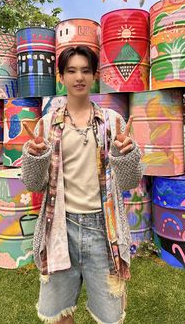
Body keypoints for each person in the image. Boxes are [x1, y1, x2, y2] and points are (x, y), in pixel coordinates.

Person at [21, 45, 142, 324]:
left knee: (110, 316)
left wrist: (124, 154)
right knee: (60, 314)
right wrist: (35, 156)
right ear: (61, 77)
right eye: (72, 71)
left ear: (95, 76)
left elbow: (129, 181)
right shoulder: (46, 124)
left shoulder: (112, 123)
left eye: (86, 71)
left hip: (104, 229)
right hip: (60, 228)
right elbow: (34, 183)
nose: (79, 77)